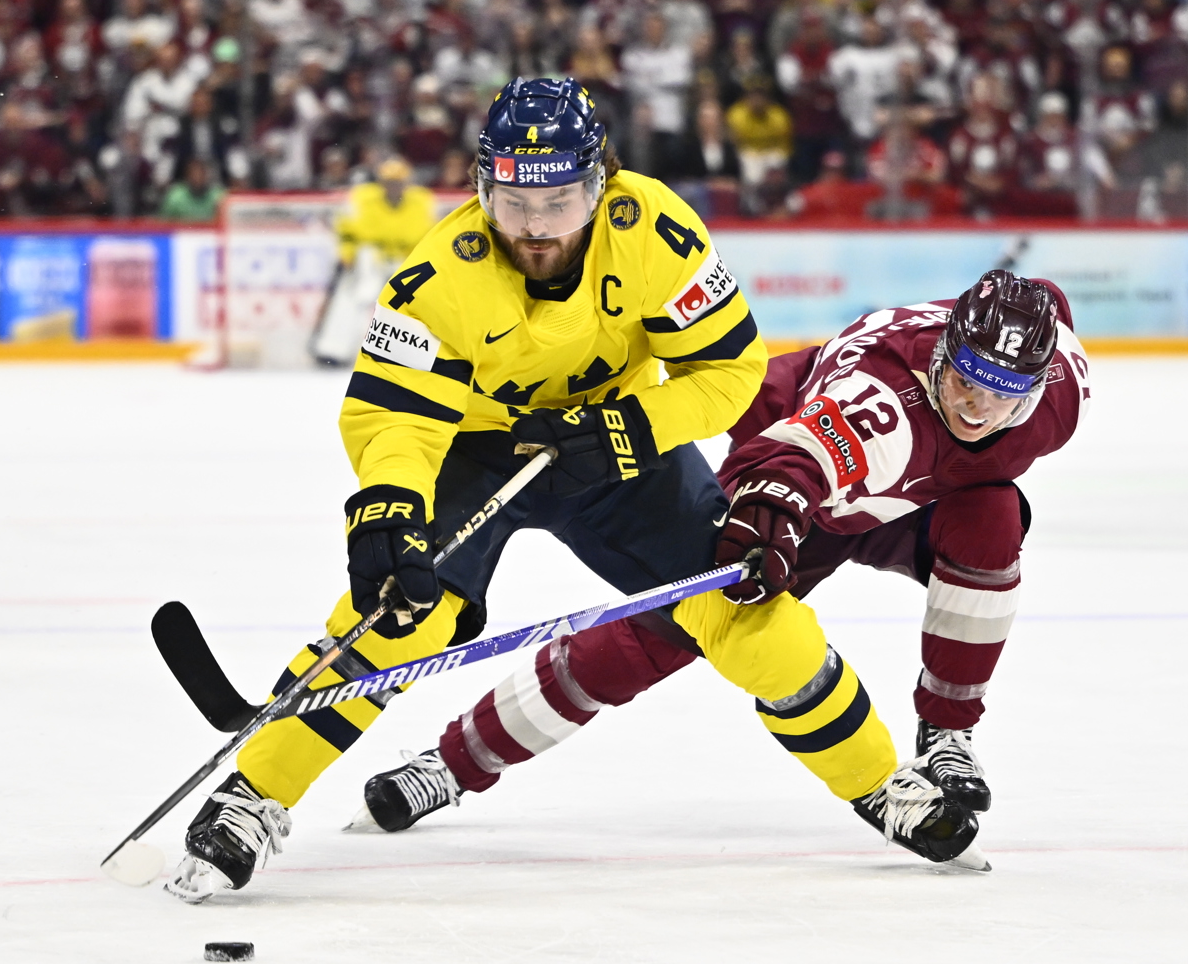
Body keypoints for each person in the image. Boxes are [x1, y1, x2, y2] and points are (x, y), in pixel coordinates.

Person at [165, 78, 977, 904]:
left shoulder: (656, 232)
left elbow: (730, 371)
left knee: (743, 609)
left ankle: (881, 781)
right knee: (397, 615)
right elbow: (395, 418)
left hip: (618, 448)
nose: (537, 226)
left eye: (561, 198)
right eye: (515, 200)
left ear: (602, 182)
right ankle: (251, 793)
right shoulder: (438, 275)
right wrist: (389, 509)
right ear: (483, 186)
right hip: (476, 453)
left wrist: (629, 429)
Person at [356, 269, 1090, 850]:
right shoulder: (882, 400)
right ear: (942, 353)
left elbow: (1049, 304)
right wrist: (767, 513)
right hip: (800, 487)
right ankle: (452, 763)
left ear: (1041, 380)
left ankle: (948, 737)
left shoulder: (1064, 394)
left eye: (1003, 393)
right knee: (656, 636)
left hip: (903, 502)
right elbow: (793, 458)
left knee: (992, 519)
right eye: (964, 378)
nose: (975, 408)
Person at [310, 156, 437, 365]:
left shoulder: (422, 201)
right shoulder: (363, 198)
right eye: (389, 182)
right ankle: (334, 350)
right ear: (381, 182)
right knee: (354, 297)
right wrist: (347, 253)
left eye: (398, 183)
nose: (393, 187)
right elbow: (346, 231)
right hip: (370, 256)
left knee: (412, 306)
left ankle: (410, 355)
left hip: (406, 258)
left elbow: (431, 235)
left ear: (406, 183)